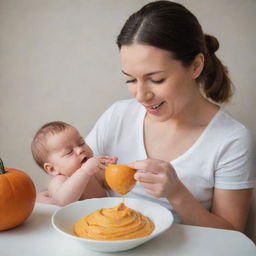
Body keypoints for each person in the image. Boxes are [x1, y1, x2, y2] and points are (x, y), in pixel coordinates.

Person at [39, 1, 255, 232]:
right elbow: (70, 173)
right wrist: (56, 192)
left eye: (156, 79)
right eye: (130, 79)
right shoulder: (118, 115)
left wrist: (177, 194)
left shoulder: (230, 139)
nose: (141, 96)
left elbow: (232, 236)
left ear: (195, 66)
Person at [31, 121, 116, 206]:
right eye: (69, 152)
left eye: (81, 143)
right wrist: (85, 171)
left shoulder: (94, 172)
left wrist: (114, 172)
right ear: (52, 169)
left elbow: (111, 185)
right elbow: (62, 202)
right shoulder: (59, 181)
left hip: (105, 216)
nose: (80, 150)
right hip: (80, 219)